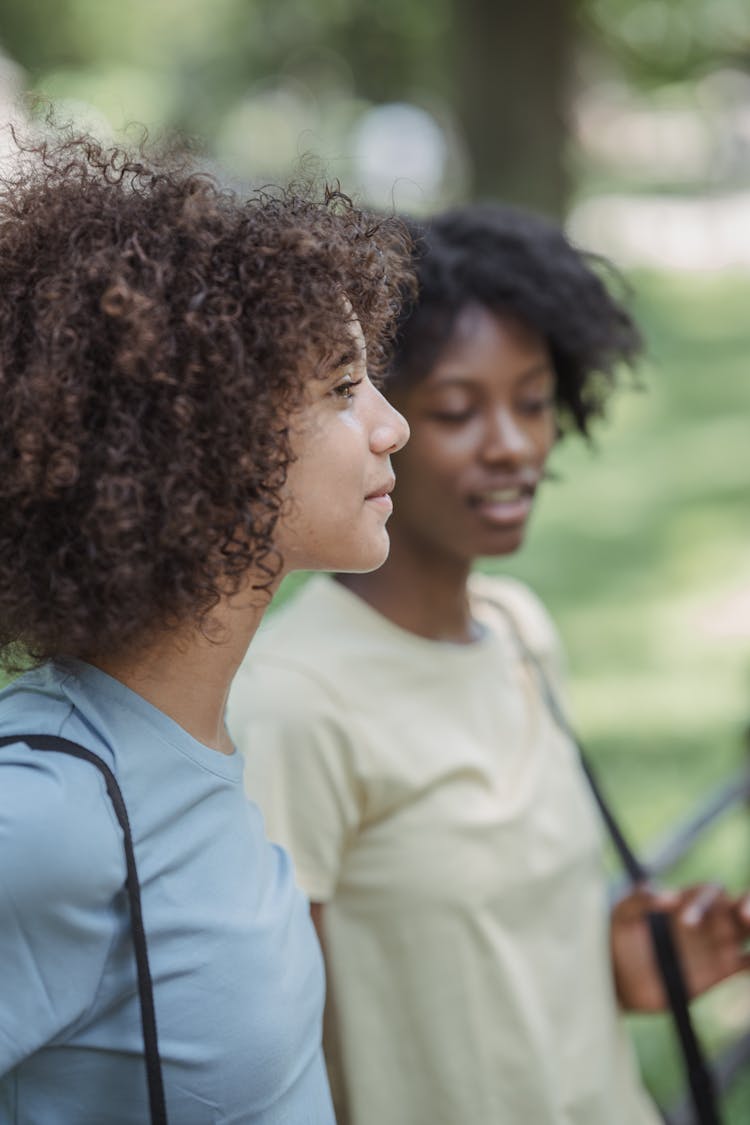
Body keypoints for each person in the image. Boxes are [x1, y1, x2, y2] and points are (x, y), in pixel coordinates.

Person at [228, 204, 750, 1125]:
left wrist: (613, 966)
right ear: (374, 423)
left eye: (535, 401)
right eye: (459, 410)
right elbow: (272, 1053)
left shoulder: (519, 630)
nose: (511, 443)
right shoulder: (294, 700)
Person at [0, 128, 411, 1124]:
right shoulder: (44, 819)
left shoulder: (199, 739)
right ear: (207, 441)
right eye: (340, 388)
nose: (390, 424)